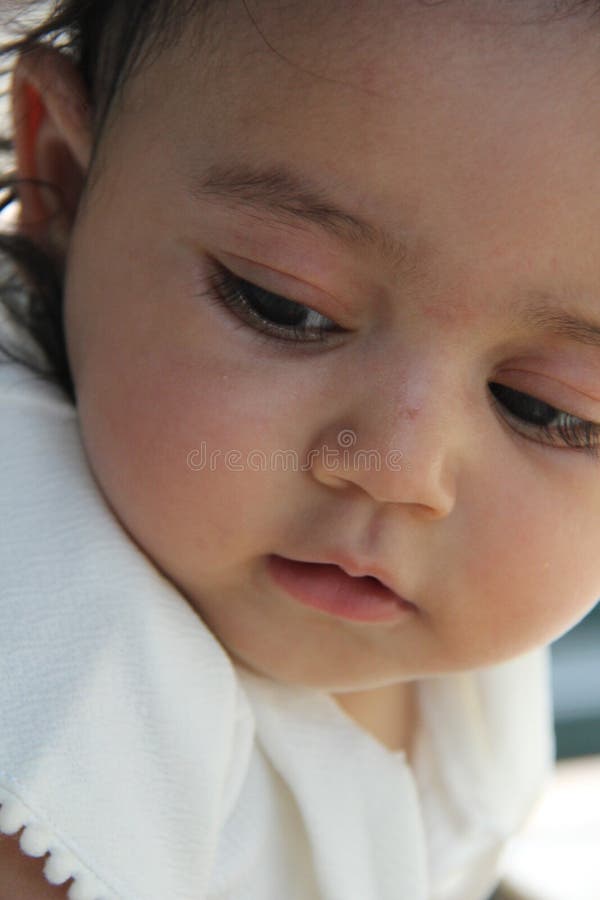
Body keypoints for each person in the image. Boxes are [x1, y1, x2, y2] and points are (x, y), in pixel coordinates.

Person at [1, 0, 599, 896]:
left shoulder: (451, 633)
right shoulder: (57, 695)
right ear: (68, 180)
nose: (399, 470)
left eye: (548, 410)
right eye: (286, 306)